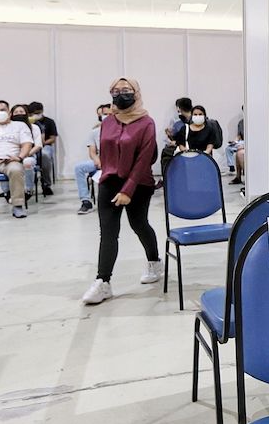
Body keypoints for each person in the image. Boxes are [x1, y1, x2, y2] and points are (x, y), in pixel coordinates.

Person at [82, 78, 161, 305]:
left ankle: (154, 261)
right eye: (116, 91)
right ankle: (102, 282)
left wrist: (128, 189)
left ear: (136, 93)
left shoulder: (147, 122)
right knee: (108, 232)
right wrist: (107, 177)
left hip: (138, 182)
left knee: (139, 224)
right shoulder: (108, 121)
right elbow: (105, 154)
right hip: (109, 181)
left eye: (126, 90)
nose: (120, 94)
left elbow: (145, 159)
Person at [0, 104, 43, 204]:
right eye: (16, 112)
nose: (19, 114)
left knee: (27, 163)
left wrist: (24, 155)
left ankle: (28, 190)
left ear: (26, 114)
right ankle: (7, 191)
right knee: (3, 163)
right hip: (10, 155)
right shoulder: (6, 128)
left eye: (21, 112)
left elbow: (38, 145)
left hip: (28, 155)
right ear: (11, 115)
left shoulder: (34, 127)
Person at [74, 104, 110, 215]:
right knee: (79, 167)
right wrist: (96, 160)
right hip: (101, 160)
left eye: (108, 114)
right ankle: (86, 202)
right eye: (103, 114)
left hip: (117, 161)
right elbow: (92, 152)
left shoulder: (122, 129)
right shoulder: (95, 132)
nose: (105, 116)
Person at [27, 102, 57, 196]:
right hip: (28, 146)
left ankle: (46, 184)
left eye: (38, 112)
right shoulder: (26, 122)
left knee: (45, 155)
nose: (36, 115)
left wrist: (41, 143)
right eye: (33, 113)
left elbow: (53, 139)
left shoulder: (49, 122)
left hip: (45, 146)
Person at [161, 97, 193, 171]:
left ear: (179, 108)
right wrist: (170, 135)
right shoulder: (180, 122)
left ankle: (166, 177)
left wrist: (176, 143)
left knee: (166, 152)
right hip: (184, 145)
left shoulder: (182, 123)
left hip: (189, 147)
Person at [226, 107, 244, 179]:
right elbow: (239, 135)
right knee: (228, 148)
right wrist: (234, 141)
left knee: (239, 152)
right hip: (242, 141)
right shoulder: (241, 122)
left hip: (250, 141)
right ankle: (231, 166)